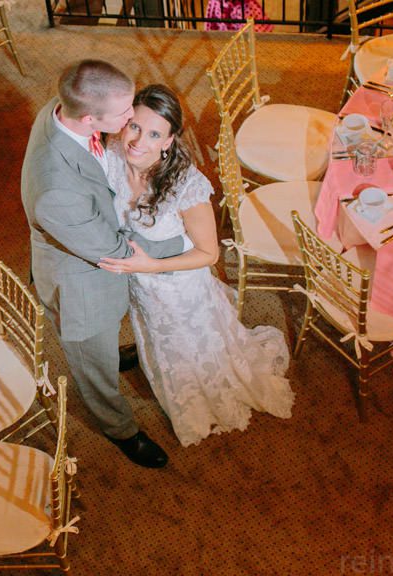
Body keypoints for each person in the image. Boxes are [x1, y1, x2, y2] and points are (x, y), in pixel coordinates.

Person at [97, 84, 294, 447]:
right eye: (135, 127)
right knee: (152, 334)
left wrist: (150, 266)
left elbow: (209, 254)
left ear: (169, 141)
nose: (139, 140)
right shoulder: (111, 153)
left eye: (154, 133)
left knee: (187, 341)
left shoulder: (185, 185)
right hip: (140, 285)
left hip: (178, 286)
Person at [20, 61, 185, 468]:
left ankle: (112, 354)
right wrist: (179, 245)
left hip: (81, 231)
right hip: (81, 288)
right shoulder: (56, 190)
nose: (133, 116)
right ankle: (121, 430)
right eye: (125, 112)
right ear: (90, 118)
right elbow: (115, 250)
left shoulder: (60, 108)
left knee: (105, 350)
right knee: (94, 368)